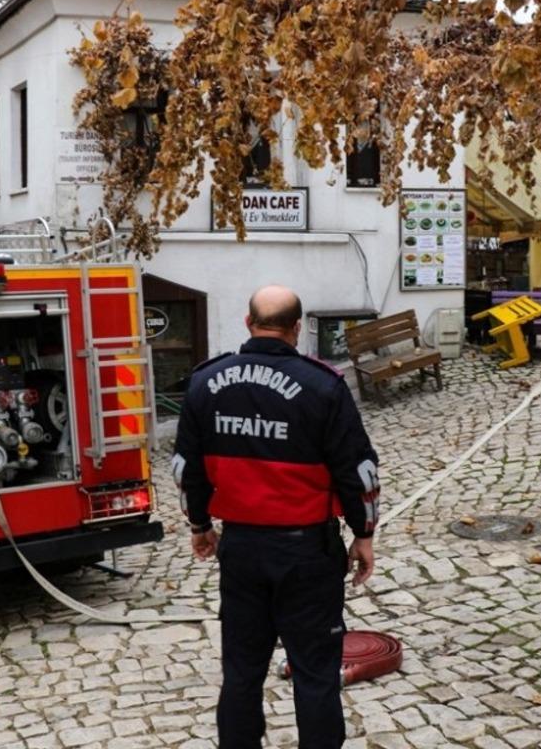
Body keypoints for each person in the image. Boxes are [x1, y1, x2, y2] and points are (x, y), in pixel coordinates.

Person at [174, 285, 380, 749]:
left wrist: (200, 526)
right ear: (296, 329)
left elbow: (187, 470)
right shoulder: (323, 385)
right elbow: (357, 471)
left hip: (242, 551)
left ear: (248, 324)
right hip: (308, 554)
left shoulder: (205, 382)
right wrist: (363, 535)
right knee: (315, 675)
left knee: (242, 672)